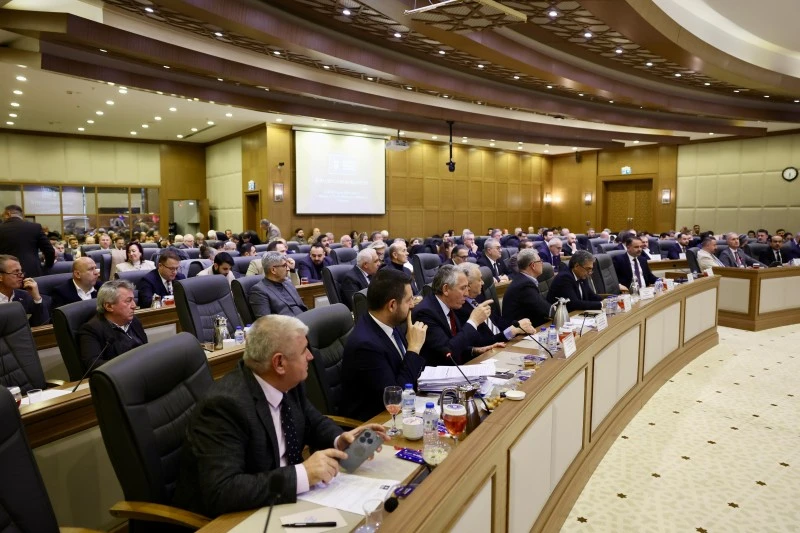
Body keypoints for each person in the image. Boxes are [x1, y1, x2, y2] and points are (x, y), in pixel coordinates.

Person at [172, 315, 387, 517]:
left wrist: (340, 439)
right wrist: (302, 475)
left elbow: (314, 422)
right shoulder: (225, 406)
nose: (311, 356)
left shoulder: (287, 383)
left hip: (285, 500)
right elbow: (223, 491)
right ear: (279, 363)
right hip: (240, 516)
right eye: (304, 351)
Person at [340, 269, 428, 421]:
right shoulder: (365, 346)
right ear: (392, 305)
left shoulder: (390, 323)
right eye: (409, 300)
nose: (412, 305)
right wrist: (413, 348)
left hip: (404, 410)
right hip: (376, 422)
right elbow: (395, 398)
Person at [411, 264, 500, 366]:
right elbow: (447, 352)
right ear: (446, 289)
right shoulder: (425, 313)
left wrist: (474, 350)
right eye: (463, 288)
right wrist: (473, 322)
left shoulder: (450, 305)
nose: (466, 294)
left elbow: (455, 342)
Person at [454, 262, 533, 346]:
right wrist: (511, 331)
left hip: (504, 343)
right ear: (468, 285)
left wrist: (519, 326)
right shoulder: (459, 308)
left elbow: (497, 321)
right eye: (479, 279)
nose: (483, 283)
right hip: (490, 350)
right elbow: (479, 343)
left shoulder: (479, 297)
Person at [77, 280, 147, 372]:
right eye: (128, 301)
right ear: (109, 306)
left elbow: (145, 349)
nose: (134, 305)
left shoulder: (134, 321)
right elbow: (93, 365)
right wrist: (131, 364)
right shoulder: (91, 330)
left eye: (133, 300)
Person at [501, 248, 552, 328]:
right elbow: (546, 310)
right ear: (533, 265)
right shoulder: (524, 285)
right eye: (540, 261)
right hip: (519, 332)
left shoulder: (522, 280)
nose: (542, 263)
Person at [0, 205, 54, 278]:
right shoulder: (35, 227)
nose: (2, 218)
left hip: (6, 275)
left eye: (3, 215)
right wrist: (47, 267)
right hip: (32, 272)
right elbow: (49, 251)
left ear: (8, 213)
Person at [249, 251, 308, 317]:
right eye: (284, 266)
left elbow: (302, 307)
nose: (288, 269)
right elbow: (265, 320)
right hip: (287, 323)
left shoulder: (288, 283)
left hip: (304, 318)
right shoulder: (259, 291)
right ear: (273, 270)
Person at [0, 254, 50, 326]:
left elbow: (43, 324)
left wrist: (37, 298)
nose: (22, 276)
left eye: (21, 272)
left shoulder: (25, 296)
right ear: (0, 277)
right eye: (16, 272)